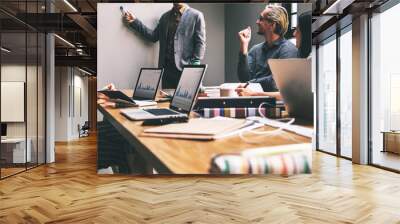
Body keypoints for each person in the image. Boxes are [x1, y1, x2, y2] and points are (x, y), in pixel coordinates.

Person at [123, 3, 206, 89]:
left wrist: (194, 67)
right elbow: (153, 36)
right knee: (167, 102)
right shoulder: (165, 17)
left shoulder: (196, 15)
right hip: (166, 71)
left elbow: (200, 43)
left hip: (185, 70)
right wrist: (135, 22)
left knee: (184, 101)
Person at [236, 10, 311, 98]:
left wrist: (250, 83)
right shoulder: (255, 49)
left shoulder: (289, 50)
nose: (257, 22)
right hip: (254, 101)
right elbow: (243, 78)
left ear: (272, 25)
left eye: (261, 19)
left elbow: (276, 82)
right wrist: (244, 46)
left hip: (274, 104)